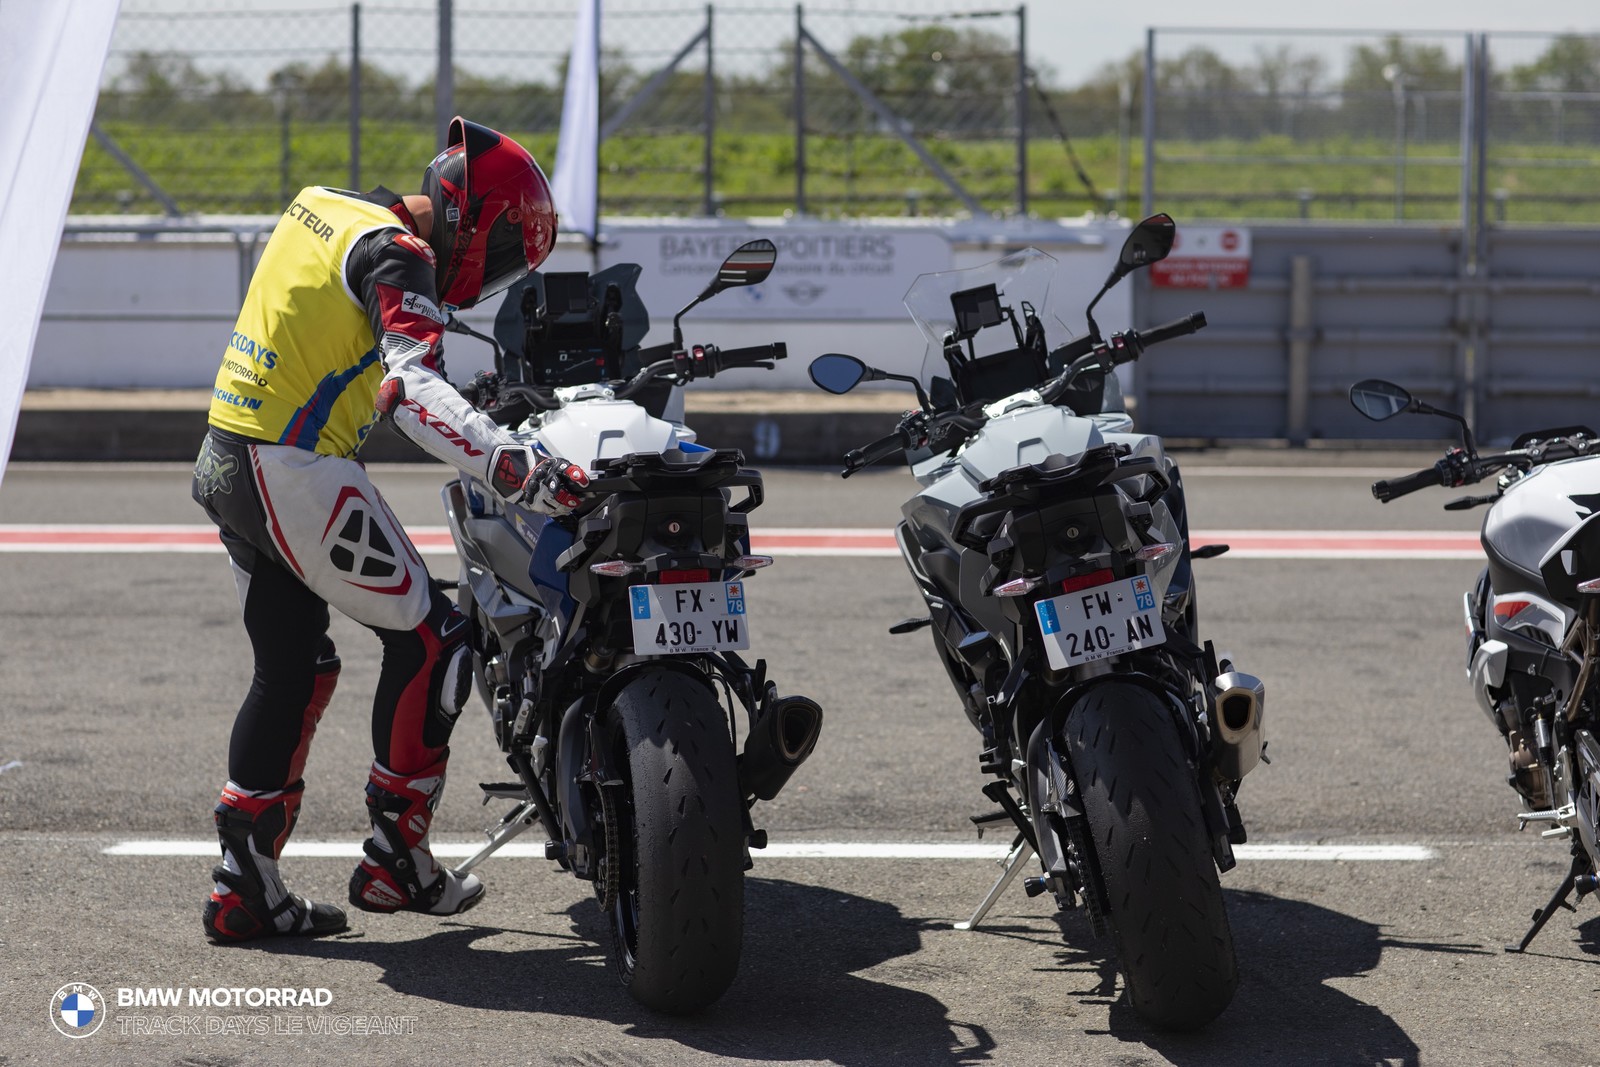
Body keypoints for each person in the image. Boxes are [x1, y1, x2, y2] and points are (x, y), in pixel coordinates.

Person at [192, 117, 591, 944]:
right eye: (507, 252)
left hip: (227, 455)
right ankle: (395, 858)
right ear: (473, 223)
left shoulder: (323, 207)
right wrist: (517, 466)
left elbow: (335, 334)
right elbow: (410, 388)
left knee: (296, 667)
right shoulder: (401, 255)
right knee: (437, 643)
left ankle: (243, 887)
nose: (495, 276)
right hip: (291, 469)